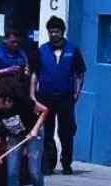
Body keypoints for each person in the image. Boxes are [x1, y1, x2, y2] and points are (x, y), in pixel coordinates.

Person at [31, 16, 87, 175]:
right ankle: (49, 164)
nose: (53, 34)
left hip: (65, 97)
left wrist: (77, 92)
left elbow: (80, 73)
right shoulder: (42, 50)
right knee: (47, 131)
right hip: (45, 96)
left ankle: (67, 163)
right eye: (51, 32)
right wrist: (33, 96)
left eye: (56, 31)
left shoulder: (73, 50)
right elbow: (35, 74)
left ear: (62, 32)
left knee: (66, 131)